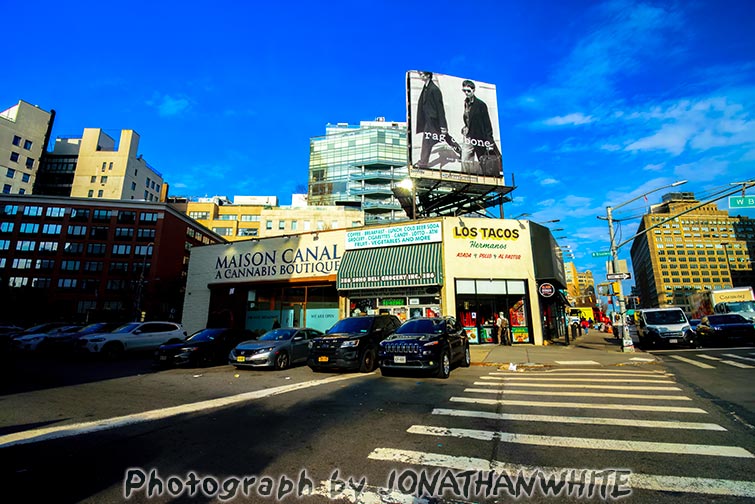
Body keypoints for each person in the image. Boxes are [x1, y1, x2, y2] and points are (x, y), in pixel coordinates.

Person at [415, 71, 459, 168]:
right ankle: (461, 152)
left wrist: (443, 125)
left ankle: (423, 163)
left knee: (427, 140)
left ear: (428, 75)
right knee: (445, 137)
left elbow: (440, 109)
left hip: (434, 121)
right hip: (428, 120)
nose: (420, 76)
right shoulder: (426, 87)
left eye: (421, 74)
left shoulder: (434, 89)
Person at [460, 80, 501, 176]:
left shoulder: (481, 105)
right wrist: (465, 127)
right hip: (468, 137)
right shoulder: (466, 102)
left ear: (473, 90)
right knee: (465, 159)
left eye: (468, 91)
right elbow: (468, 119)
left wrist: (489, 140)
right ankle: (465, 178)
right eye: (464, 90)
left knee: (485, 161)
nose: (466, 93)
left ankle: (489, 177)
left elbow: (487, 124)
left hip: (479, 138)